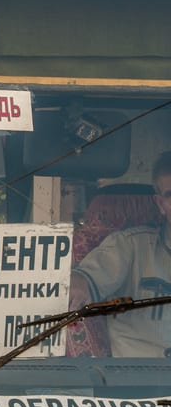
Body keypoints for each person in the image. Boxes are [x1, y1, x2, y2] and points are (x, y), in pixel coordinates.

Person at [69, 152, 171, 358]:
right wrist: (75, 283)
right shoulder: (130, 246)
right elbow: (84, 281)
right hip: (136, 382)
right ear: (161, 204)